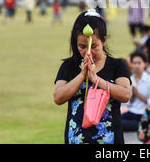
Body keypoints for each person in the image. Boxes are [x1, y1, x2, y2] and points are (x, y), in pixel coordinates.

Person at [53, 9, 131, 144]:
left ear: (104, 41)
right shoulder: (68, 66)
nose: (87, 51)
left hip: (110, 139)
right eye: (81, 46)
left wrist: (96, 80)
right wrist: (81, 76)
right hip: (76, 138)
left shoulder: (117, 65)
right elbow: (58, 97)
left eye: (94, 46)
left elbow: (125, 95)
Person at [122, 52, 150, 132]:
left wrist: (138, 95)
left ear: (145, 64)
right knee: (115, 121)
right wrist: (133, 96)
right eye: (134, 63)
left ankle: (143, 125)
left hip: (144, 114)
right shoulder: (131, 79)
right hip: (132, 112)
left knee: (122, 125)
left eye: (139, 63)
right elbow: (128, 103)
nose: (136, 66)